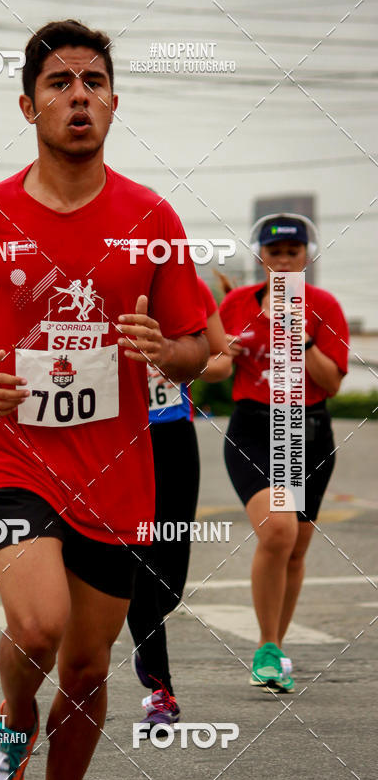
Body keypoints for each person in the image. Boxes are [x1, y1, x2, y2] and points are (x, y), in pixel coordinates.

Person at [0, 19, 208, 780]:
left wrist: (166, 352)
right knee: (37, 627)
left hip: (116, 470)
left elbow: (197, 349)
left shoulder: (152, 218)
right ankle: (13, 717)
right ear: (28, 104)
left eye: (92, 81)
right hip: (11, 453)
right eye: (58, 83)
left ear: (114, 102)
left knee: (84, 666)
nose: (77, 95)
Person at [220, 214, 349, 693]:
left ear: (306, 256)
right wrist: (223, 353)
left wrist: (303, 332)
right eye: (274, 253)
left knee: (294, 548)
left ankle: (274, 645)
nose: (283, 260)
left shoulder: (323, 306)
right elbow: (212, 368)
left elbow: (332, 381)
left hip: (306, 430)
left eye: (292, 252)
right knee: (278, 528)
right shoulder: (236, 304)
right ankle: (266, 648)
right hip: (254, 428)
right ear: (261, 256)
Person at [128, 276, 232, 727]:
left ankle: (140, 630)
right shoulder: (101, 280)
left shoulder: (191, 289)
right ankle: (160, 688)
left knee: (169, 578)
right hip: (117, 435)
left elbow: (222, 362)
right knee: (137, 560)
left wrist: (174, 357)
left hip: (172, 432)